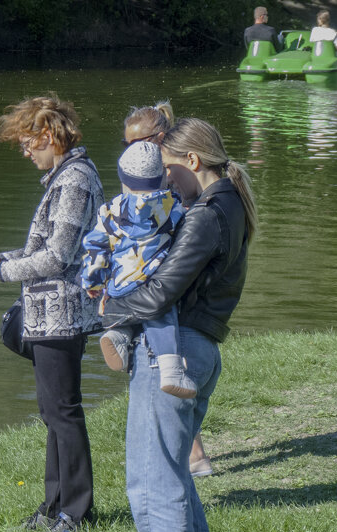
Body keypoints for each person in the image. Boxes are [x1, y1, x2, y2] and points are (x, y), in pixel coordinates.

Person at [102, 117, 258, 532]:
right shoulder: (227, 205)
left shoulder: (206, 215)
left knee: (152, 477)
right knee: (174, 475)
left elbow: (162, 291)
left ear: (192, 161)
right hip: (201, 349)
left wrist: (107, 305)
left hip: (175, 352)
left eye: (169, 170)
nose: (165, 182)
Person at [0, 96, 105, 532]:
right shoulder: (62, 178)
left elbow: (59, 257)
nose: (25, 152)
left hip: (61, 313)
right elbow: (39, 253)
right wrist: (1, 257)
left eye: (28, 144)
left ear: (49, 136)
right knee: (51, 412)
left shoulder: (75, 180)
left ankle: (78, 512)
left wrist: (1, 271)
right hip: (48, 313)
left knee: (64, 412)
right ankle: (53, 506)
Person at [122, 103, 213, 476]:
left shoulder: (176, 176)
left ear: (159, 138)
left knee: (166, 359)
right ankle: (190, 454)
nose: (130, 149)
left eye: (139, 141)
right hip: (150, 278)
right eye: (126, 143)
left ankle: (190, 455)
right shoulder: (143, 169)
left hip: (169, 284)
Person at [82, 141, 194, 398]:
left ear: (123, 178)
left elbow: (96, 247)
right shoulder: (172, 207)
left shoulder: (110, 211)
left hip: (120, 281)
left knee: (128, 311)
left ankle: (118, 337)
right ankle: (171, 369)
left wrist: (93, 282)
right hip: (154, 277)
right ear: (162, 177)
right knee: (161, 315)